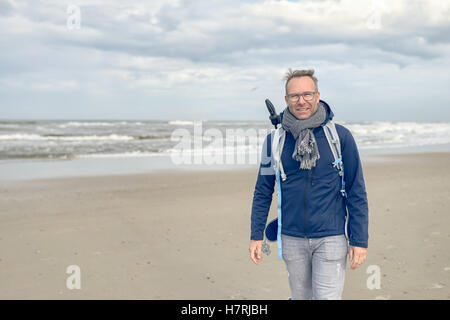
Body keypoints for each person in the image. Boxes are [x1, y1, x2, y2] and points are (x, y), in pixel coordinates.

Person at [249, 69, 369, 300]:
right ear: (286, 100)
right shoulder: (273, 141)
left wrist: (359, 239)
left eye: (307, 94)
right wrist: (256, 235)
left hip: (332, 236)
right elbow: (263, 191)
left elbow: (356, 190)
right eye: (294, 96)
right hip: (291, 237)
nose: (301, 101)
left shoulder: (340, 137)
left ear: (317, 95)